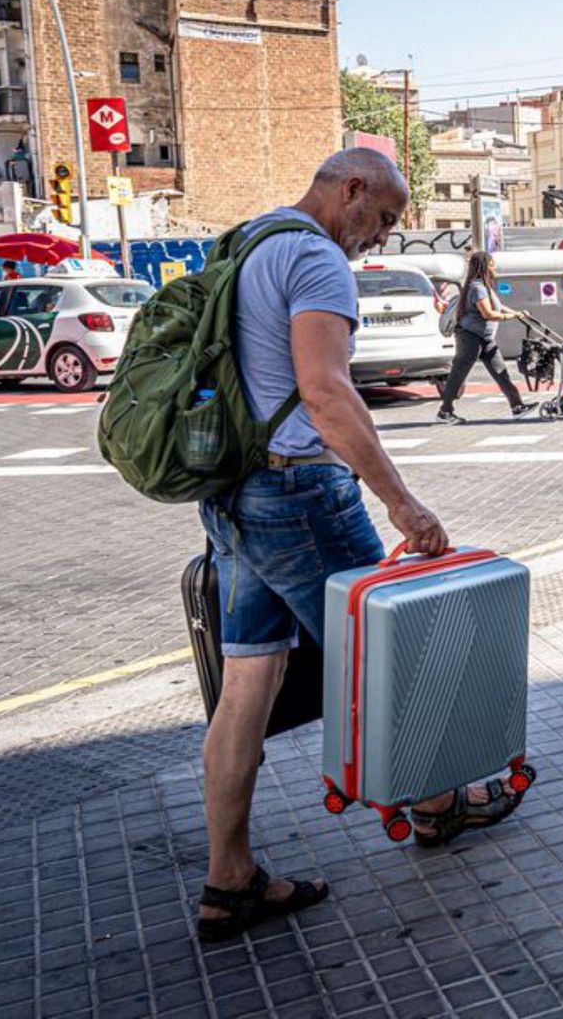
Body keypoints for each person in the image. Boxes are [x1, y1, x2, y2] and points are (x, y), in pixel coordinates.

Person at [197, 149, 529, 943]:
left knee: (249, 683)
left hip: (234, 489)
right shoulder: (316, 258)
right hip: (299, 491)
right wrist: (401, 501)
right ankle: (438, 805)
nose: (379, 239)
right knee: (389, 653)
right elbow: (325, 388)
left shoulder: (250, 241)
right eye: (381, 218)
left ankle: (229, 877)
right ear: (351, 190)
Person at [436, 250, 537, 424]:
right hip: (470, 337)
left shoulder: (484, 286)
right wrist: (511, 317)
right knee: (458, 373)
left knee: (501, 372)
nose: (494, 267)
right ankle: (444, 412)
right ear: (484, 266)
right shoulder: (477, 288)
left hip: (485, 338)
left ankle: (517, 406)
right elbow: (488, 313)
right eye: (491, 264)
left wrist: (518, 314)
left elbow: (498, 306)